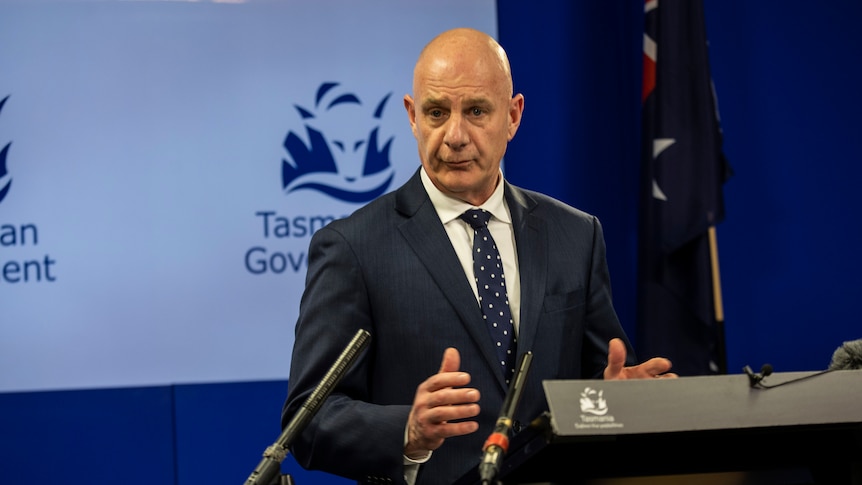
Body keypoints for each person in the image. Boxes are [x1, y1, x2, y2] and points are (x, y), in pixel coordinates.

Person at [282, 27, 676, 485]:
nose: (454, 136)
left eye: (475, 111)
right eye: (436, 112)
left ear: (513, 116)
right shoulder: (353, 246)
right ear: (412, 117)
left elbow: (597, 377)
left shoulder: (576, 234)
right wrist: (406, 429)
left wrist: (615, 400)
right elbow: (309, 421)